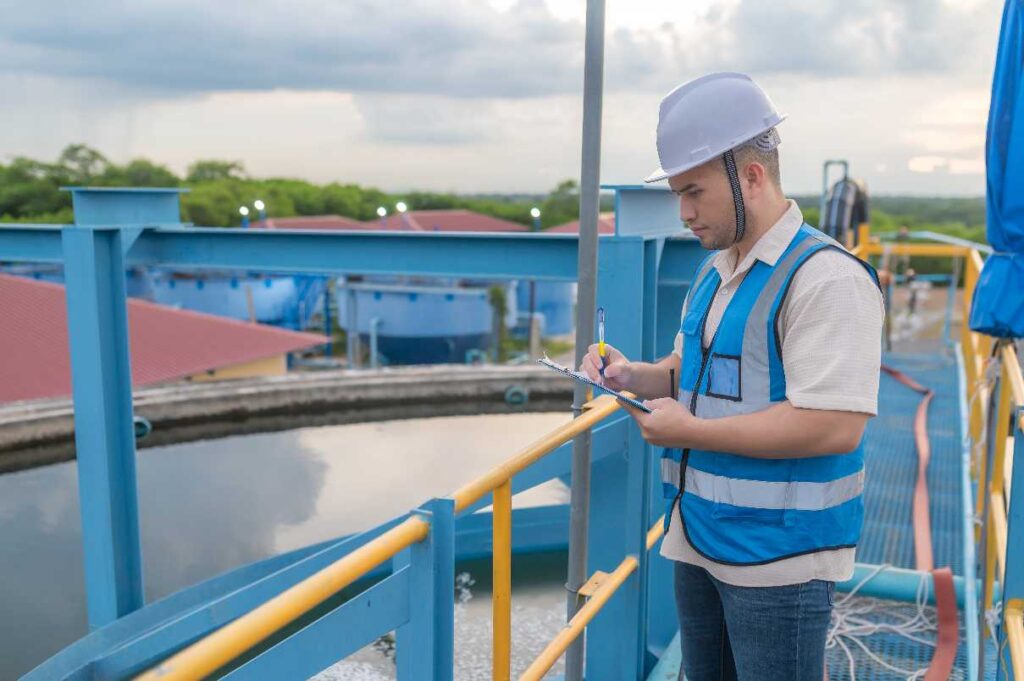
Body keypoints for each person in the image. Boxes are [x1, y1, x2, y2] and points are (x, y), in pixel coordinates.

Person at [579, 72, 884, 681]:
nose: (683, 212)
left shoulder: (826, 279)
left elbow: (833, 426)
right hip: (699, 538)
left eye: (693, 192)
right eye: (676, 195)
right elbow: (690, 372)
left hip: (779, 561)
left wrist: (690, 431)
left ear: (752, 175)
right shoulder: (717, 271)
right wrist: (634, 375)